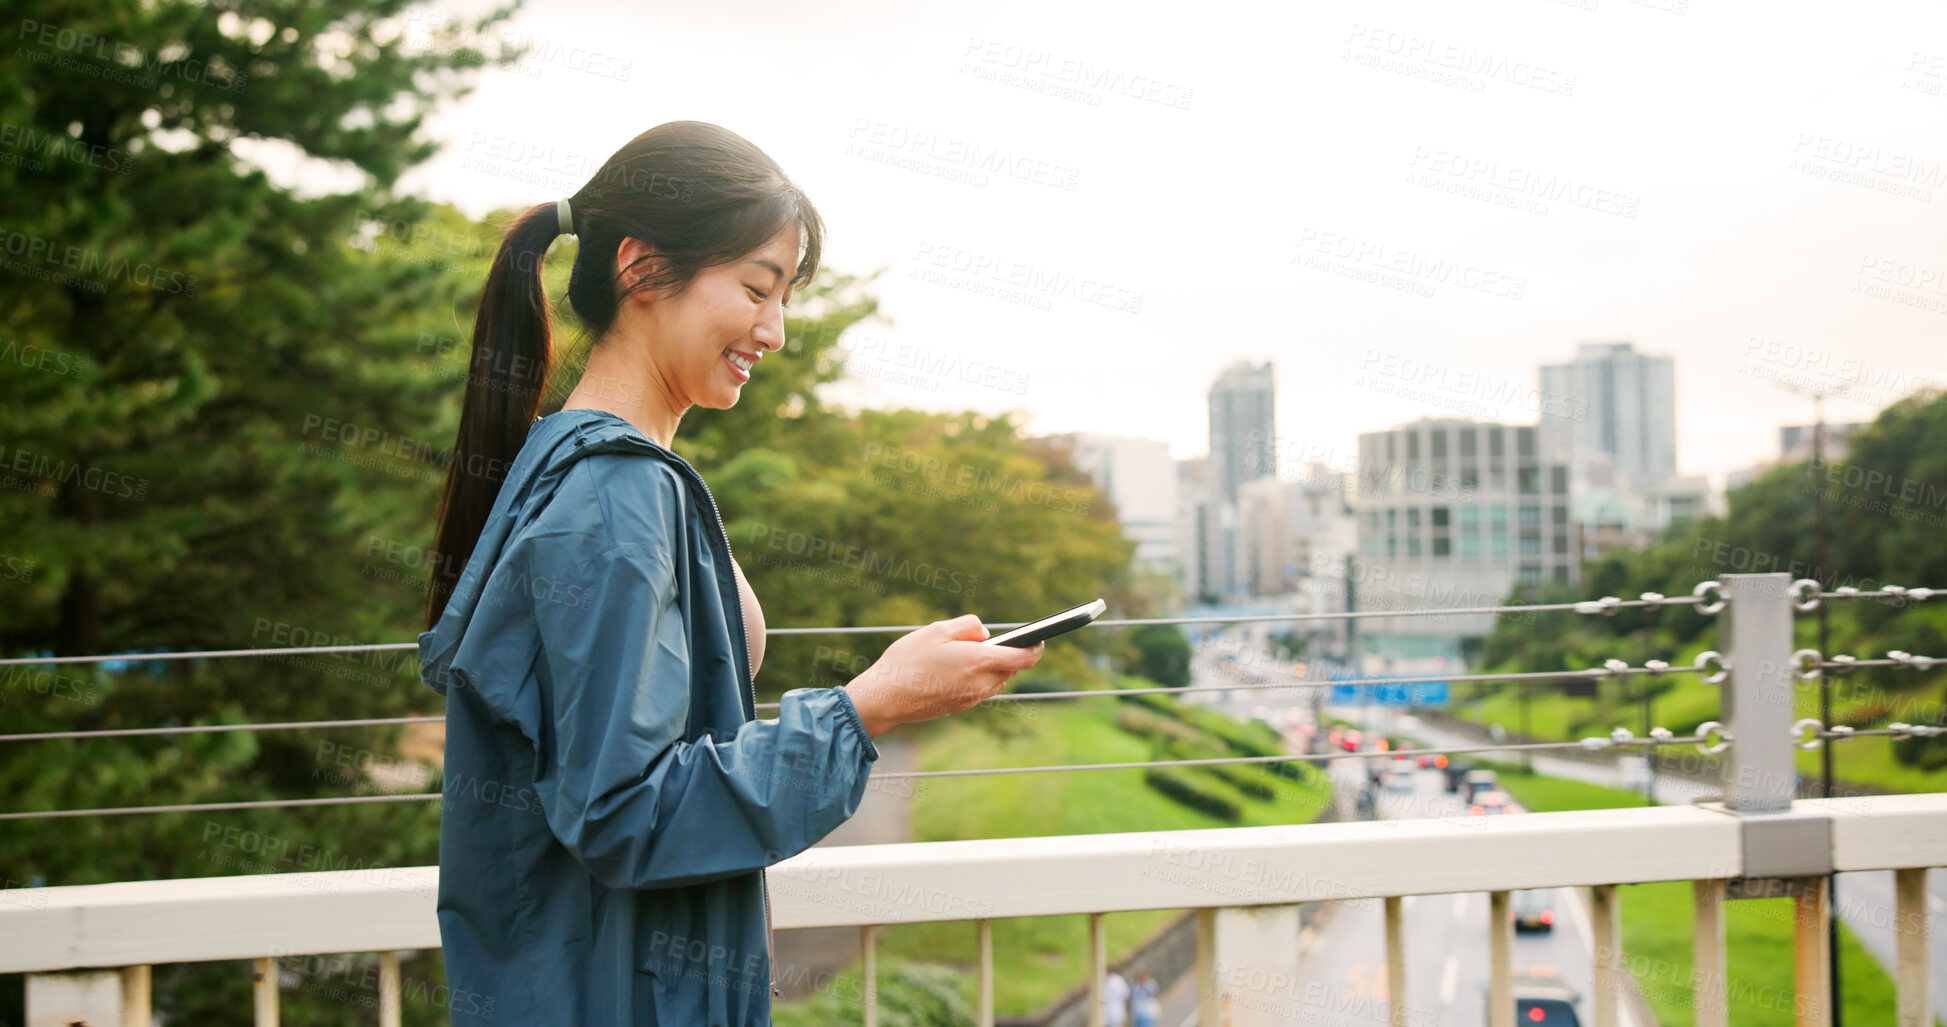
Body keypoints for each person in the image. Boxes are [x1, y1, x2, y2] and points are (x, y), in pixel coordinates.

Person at [416, 121, 1046, 1025]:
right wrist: (868, 707)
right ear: (639, 270)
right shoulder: (612, 496)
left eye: (783, 296)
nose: (775, 329)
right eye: (756, 288)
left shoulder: (591, 467)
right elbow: (624, 809)